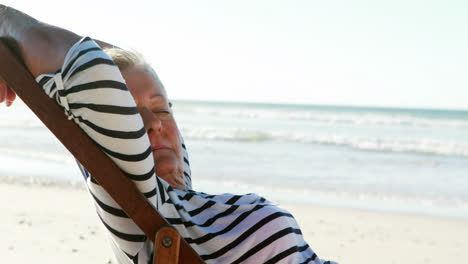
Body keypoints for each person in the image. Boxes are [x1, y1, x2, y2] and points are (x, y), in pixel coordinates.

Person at [0, 5, 335, 264]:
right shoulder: (147, 203)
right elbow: (86, 66)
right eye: (130, 112)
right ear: (113, 127)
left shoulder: (181, 199)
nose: (154, 122)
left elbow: (117, 67)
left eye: (161, 109)